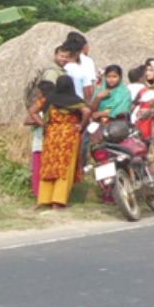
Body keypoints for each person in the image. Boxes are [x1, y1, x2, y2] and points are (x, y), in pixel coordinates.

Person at [37, 76, 91, 208]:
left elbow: (33, 111)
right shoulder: (75, 100)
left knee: (49, 167)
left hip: (52, 135)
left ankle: (44, 199)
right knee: (64, 168)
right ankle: (58, 201)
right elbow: (87, 111)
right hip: (69, 136)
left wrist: (43, 124)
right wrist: (81, 125)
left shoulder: (49, 99)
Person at [26, 79, 56, 200]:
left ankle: (42, 195)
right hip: (44, 140)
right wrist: (43, 123)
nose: (37, 94)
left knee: (40, 169)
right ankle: (42, 195)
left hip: (44, 141)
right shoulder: (44, 105)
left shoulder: (47, 105)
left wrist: (42, 124)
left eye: (39, 92)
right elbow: (27, 119)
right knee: (41, 169)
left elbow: (30, 115)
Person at [129, 64, 154, 141]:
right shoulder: (143, 90)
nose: (148, 73)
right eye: (147, 71)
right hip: (143, 125)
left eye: (151, 70)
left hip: (148, 125)